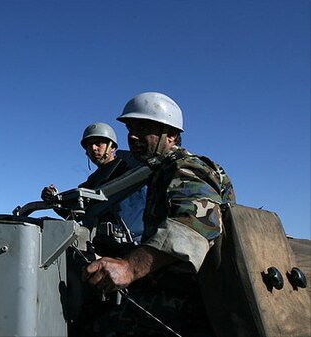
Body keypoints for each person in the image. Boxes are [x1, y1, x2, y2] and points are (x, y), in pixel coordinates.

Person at [83, 92, 236, 336]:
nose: (133, 136)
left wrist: (129, 267)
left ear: (172, 135)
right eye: (131, 128)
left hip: (187, 305)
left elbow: (195, 225)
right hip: (164, 294)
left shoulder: (186, 167)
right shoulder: (160, 173)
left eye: (143, 128)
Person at [40, 122, 145, 240]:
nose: (93, 148)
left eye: (98, 143)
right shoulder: (90, 184)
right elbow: (75, 215)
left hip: (138, 241)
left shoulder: (134, 165)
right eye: (89, 145)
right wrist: (54, 201)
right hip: (103, 244)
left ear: (112, 147)